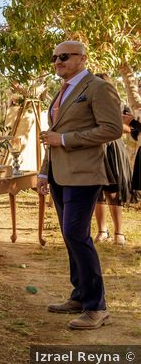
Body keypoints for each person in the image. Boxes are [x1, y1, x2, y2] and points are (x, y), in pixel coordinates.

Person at [37, 41, 123, 330]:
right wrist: (43, 173)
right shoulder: (62, 90)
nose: (57, 61)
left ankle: (96, 307)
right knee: (69, 234)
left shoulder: (98, 87)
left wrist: (63, 140)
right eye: (54, 57)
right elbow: (53, 136)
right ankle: (79, 295)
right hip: (60, 175)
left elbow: (111, 129)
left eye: (64, 56)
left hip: (85, 174)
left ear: (83, 59)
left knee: (76, 233)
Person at [91, 74, 132, 246]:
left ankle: (119, 233)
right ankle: (102, 231)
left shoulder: (120, 103)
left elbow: (131, 128)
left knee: (114, 191)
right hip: (94, 147)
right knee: (96, 191)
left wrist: (113, 126)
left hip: (113, 149)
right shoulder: (89, 103)